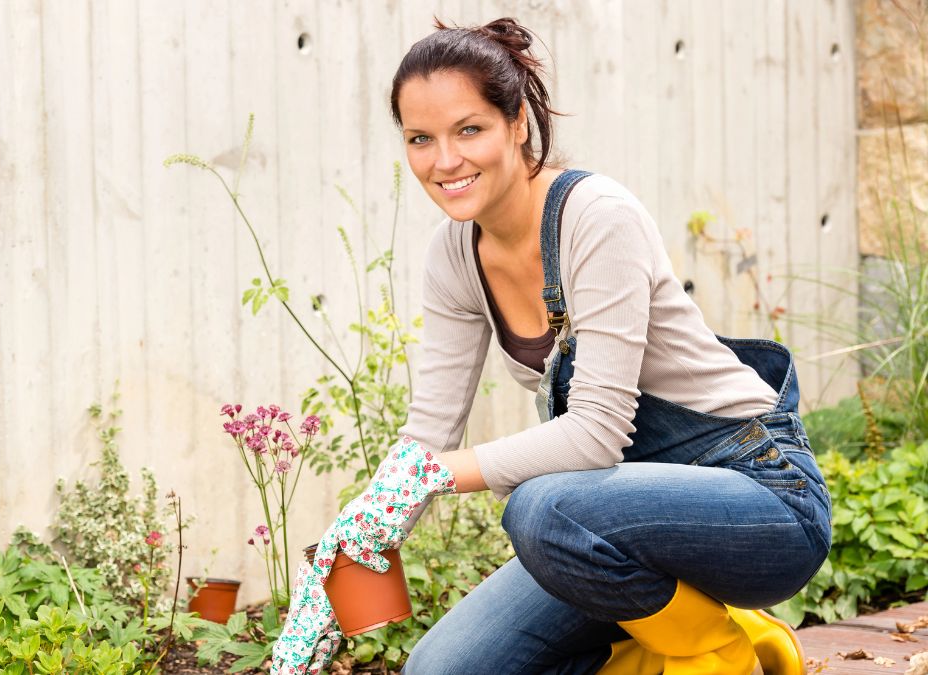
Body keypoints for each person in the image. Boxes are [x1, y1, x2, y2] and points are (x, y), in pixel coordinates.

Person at [271, 16, 831, 675]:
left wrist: (426, 475)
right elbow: (426, 436)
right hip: (613, 523)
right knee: (442, 669)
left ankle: (729, 647)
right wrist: (352, 548)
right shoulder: (454, 256)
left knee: (540, 506)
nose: (443, 160)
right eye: (420, 138)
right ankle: (657, 648)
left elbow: (594, 436)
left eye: (468, 129)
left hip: (757, 498)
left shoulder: (597, 216)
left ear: (516, 124)